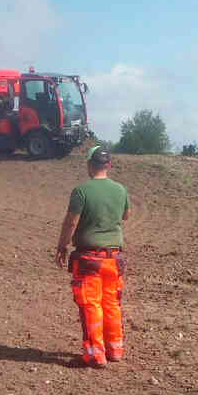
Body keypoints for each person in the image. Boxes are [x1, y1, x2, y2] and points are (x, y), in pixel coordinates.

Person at [54, 146, 131, 368]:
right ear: (108, 165)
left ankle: (95, 355)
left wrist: (62, 246)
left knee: (91, 305)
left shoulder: (81, 191)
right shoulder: (121, 190)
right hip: (115, 259)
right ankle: (115, 350)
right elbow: (126, 215)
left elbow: (71, 222)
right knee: (112, 304)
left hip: (89, 260)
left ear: (89, 165)